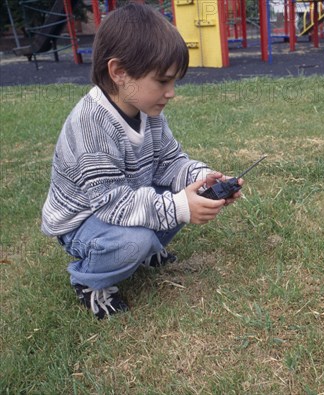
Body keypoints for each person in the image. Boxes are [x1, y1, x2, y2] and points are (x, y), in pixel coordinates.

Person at [41, 3, 242, 319]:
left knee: (183, 194)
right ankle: (89, 281)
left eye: (173, 82)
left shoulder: (149, 112)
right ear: (119, 72)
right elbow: (111, 204)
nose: (171, 93)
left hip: (124, 202)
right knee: (138, 238)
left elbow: (171, 161)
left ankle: (146, 253)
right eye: (162, 81)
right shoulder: (91, 123)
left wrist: (204, 179)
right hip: (85, 221)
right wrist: (179, 206)